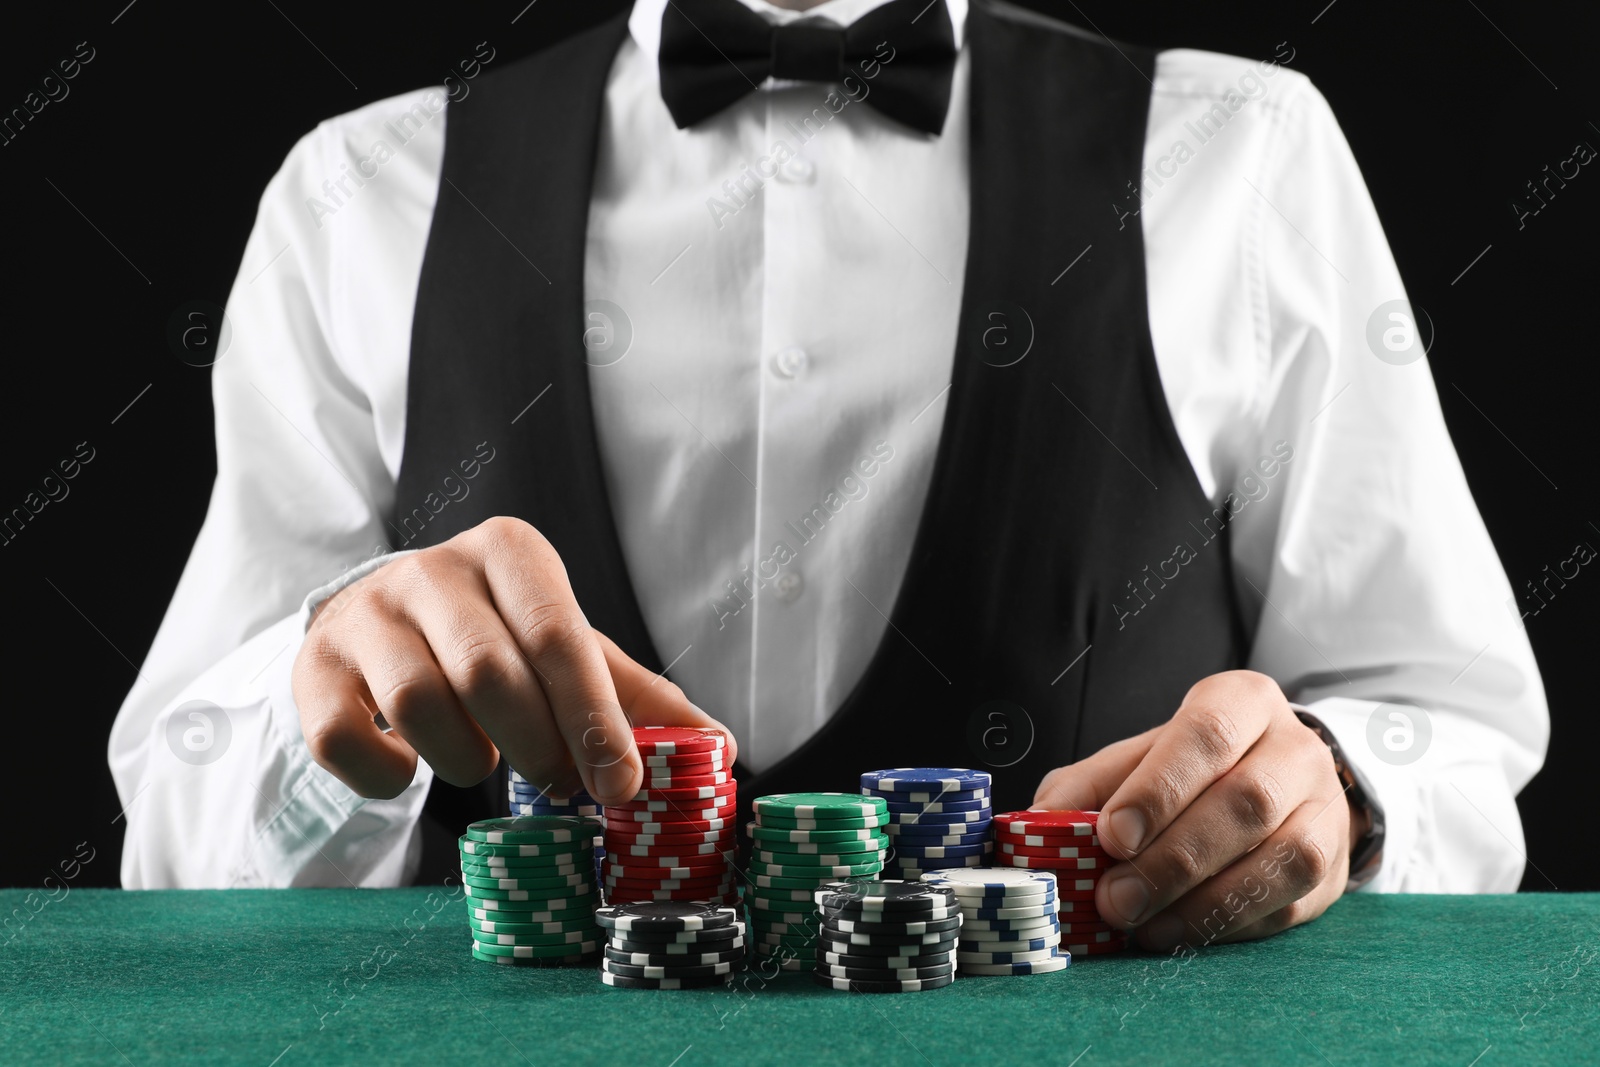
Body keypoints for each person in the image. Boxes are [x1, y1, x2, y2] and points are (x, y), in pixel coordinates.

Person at [110, 0, 1547, 951]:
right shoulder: (358, 193)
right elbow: (179, 855)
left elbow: (1447, 723)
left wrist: (1339, 788)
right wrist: (327, 693)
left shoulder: (1245, 154)